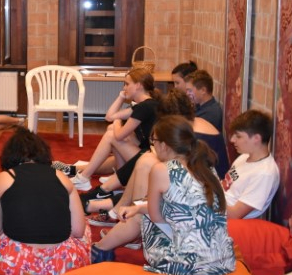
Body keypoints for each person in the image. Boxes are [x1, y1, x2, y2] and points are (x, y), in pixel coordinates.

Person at [93, 116, 236, 275]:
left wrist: (139, 209)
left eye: (153, 141)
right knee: (143, 210)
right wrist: (138, 207)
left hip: (187, 266)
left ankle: (100, 249)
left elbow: (156, 216)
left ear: (164, 145)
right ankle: (102, 247)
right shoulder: (205, 165)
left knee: (142, 217)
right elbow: (184, 206)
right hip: (222, 261)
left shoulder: (162, 169)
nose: (152, 145)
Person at [0, 128, 90, 275]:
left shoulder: (2, 178)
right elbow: (78, 231)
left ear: (9, 156)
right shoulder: (62, 177)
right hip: (64, 267)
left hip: (13, 267)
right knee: (86, 225)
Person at [82, 89, 227, 225]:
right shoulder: (196, 124)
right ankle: (114, 205)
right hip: (202, 181)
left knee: (146, 163)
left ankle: (129, 217)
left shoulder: (185, 133)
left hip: (203, 188)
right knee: (145, 161)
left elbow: (176, 166)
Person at [52, 68, 160, 191]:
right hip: (146, 153)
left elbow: (118, 134)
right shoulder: (146, 104)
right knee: (111, 130)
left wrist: (117, 120)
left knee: (111, 135)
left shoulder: (145, 107)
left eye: (127, 84)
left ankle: (84, 177)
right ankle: (113, 176)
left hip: (149, 160)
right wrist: (121, 97)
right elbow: (109, 117)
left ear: (138, 85)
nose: (124, 87)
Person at [224, 109, 279, 219]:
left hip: (224, 220)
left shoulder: (264, 174)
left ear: (256, 138)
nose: (232, 140)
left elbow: (234, 215)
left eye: (238, 136)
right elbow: (225, 186)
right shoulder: (244, 156)